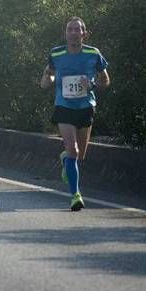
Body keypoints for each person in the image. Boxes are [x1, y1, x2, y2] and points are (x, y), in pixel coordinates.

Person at [40, 16, 110, 212]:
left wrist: (93, 84)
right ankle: (75, 195)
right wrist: (48, 77)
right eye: (69, 29)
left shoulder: (93, 53)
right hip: (64, 107)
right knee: (74, 151)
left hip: (86, 106)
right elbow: (47, 78)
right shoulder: (56, 53)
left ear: (84, 33)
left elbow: (105, 81)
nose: (72, 33)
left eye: (76, 29)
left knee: (79, 156)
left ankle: (65, 159)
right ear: (65, 33)